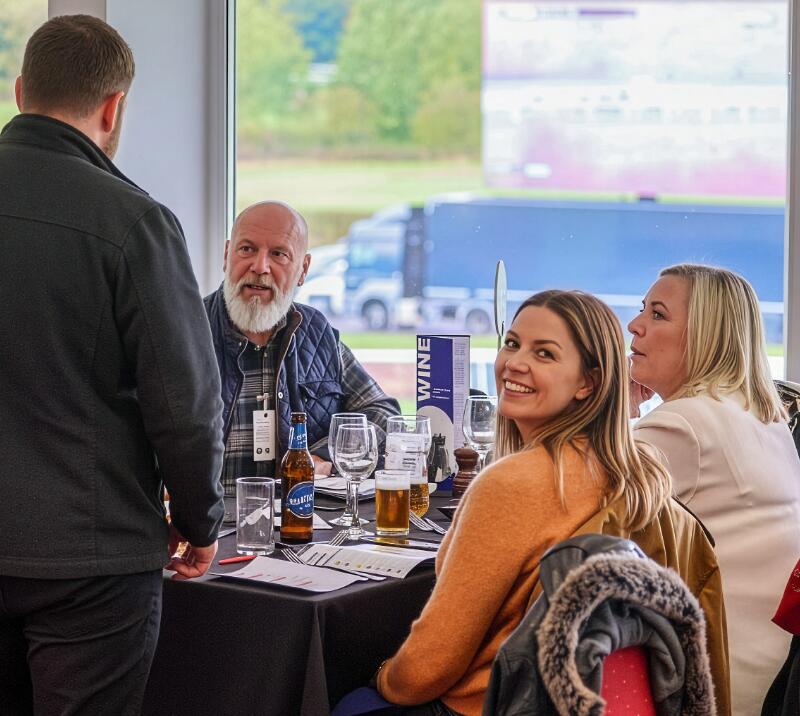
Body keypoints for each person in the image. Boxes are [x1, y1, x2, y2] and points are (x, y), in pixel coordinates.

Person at [0, 15, 225, 715]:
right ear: (112, 106)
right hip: (90, 560)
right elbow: (184, 403)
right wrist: (200, 519)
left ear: (18, 91)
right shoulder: (132, 222)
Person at [375, 290, 730, 715]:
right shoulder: (641, 473)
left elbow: (426, 670)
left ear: (588, 383)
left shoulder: (511, 485)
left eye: (544, 354)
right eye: (512, 343)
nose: (514, 363)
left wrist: (380, 675)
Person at [629, 263, 800, 715]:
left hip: (713, 683)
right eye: (642, 309)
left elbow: (559, 515)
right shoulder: (763, 417)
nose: (635, 325)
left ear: (704, 335)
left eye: (658, 314)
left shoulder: (681, 425)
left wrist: (614, 405)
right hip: (776, 676)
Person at [204, 200, 400, 495]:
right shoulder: (184, 329)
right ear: (226, 255)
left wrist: (323, 456)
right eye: (247, 249)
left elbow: (382, 412)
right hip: (206, 531)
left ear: (303, 269)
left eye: (279, 254)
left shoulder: (315, 333)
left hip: (298, 526)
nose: (260, 267)